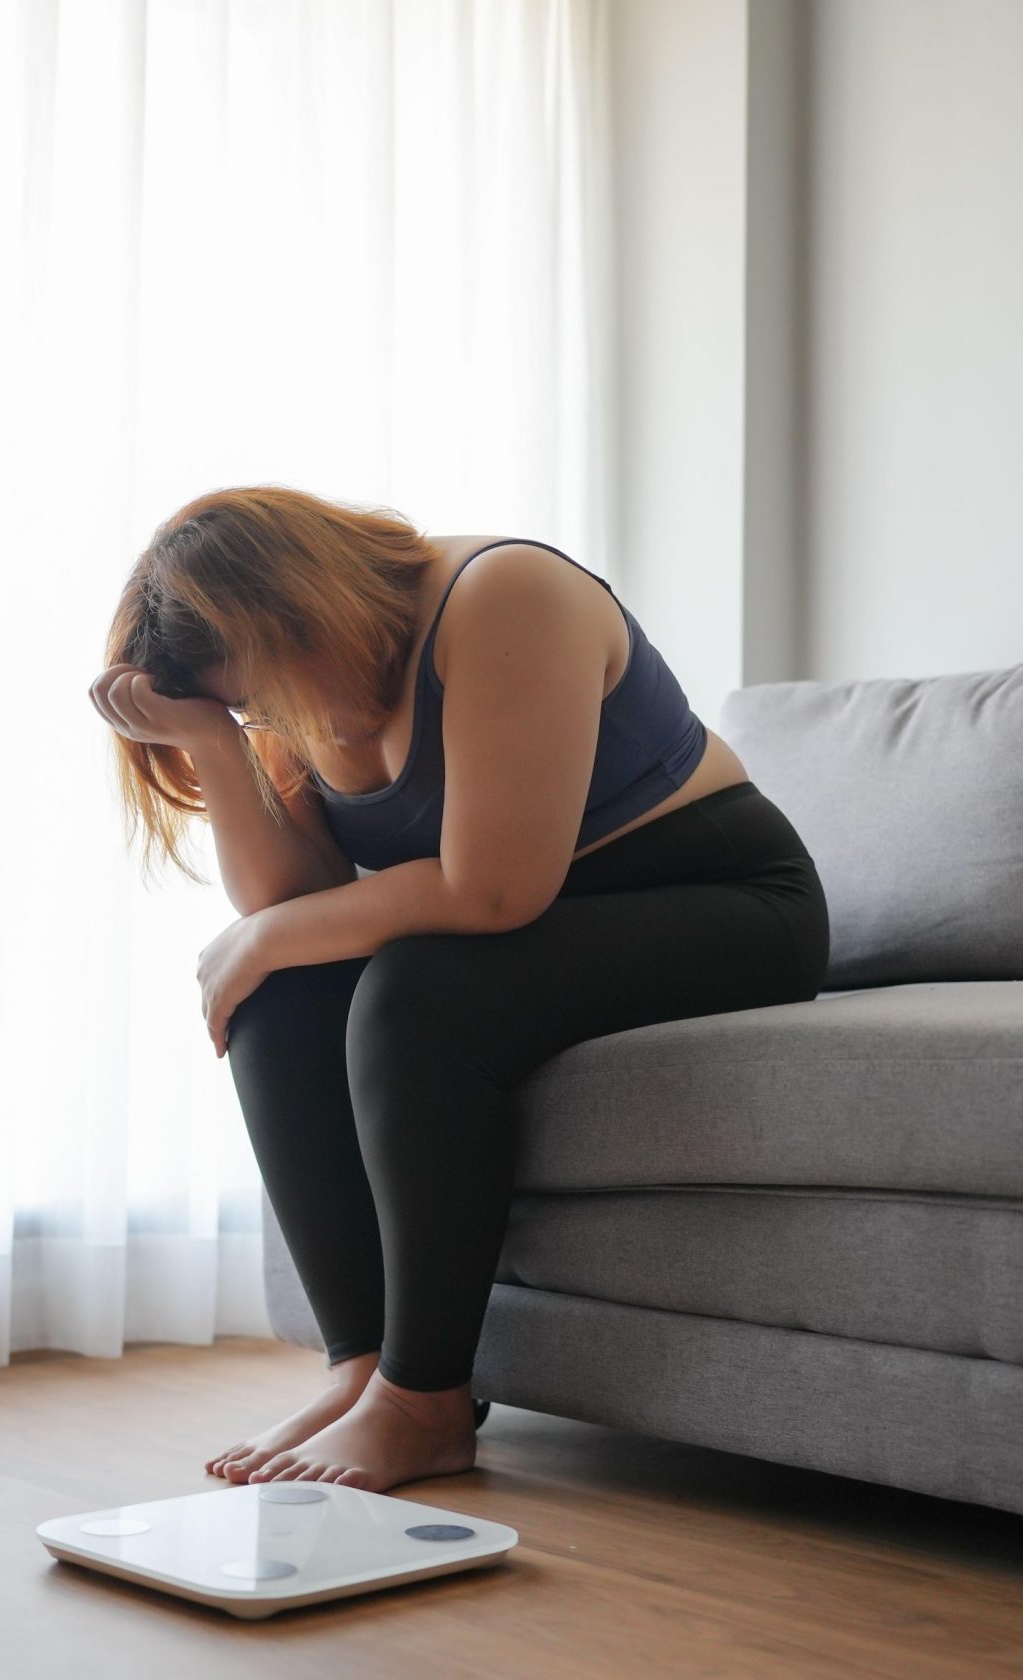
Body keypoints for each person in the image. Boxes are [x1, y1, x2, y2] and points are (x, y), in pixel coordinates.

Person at [90, 486, 829, 1492]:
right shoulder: (289, 687)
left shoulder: (503, 595)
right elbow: (294, 900)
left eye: (258, 696)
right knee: (276, 994)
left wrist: (258, 937)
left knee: (412, 993)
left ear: (305, 609)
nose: (270, 718)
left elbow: (492, 890)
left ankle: (423, 1404)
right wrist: (217, 743)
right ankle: (362, 1371)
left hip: (725, 902)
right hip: (544, 928)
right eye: (247, 707)